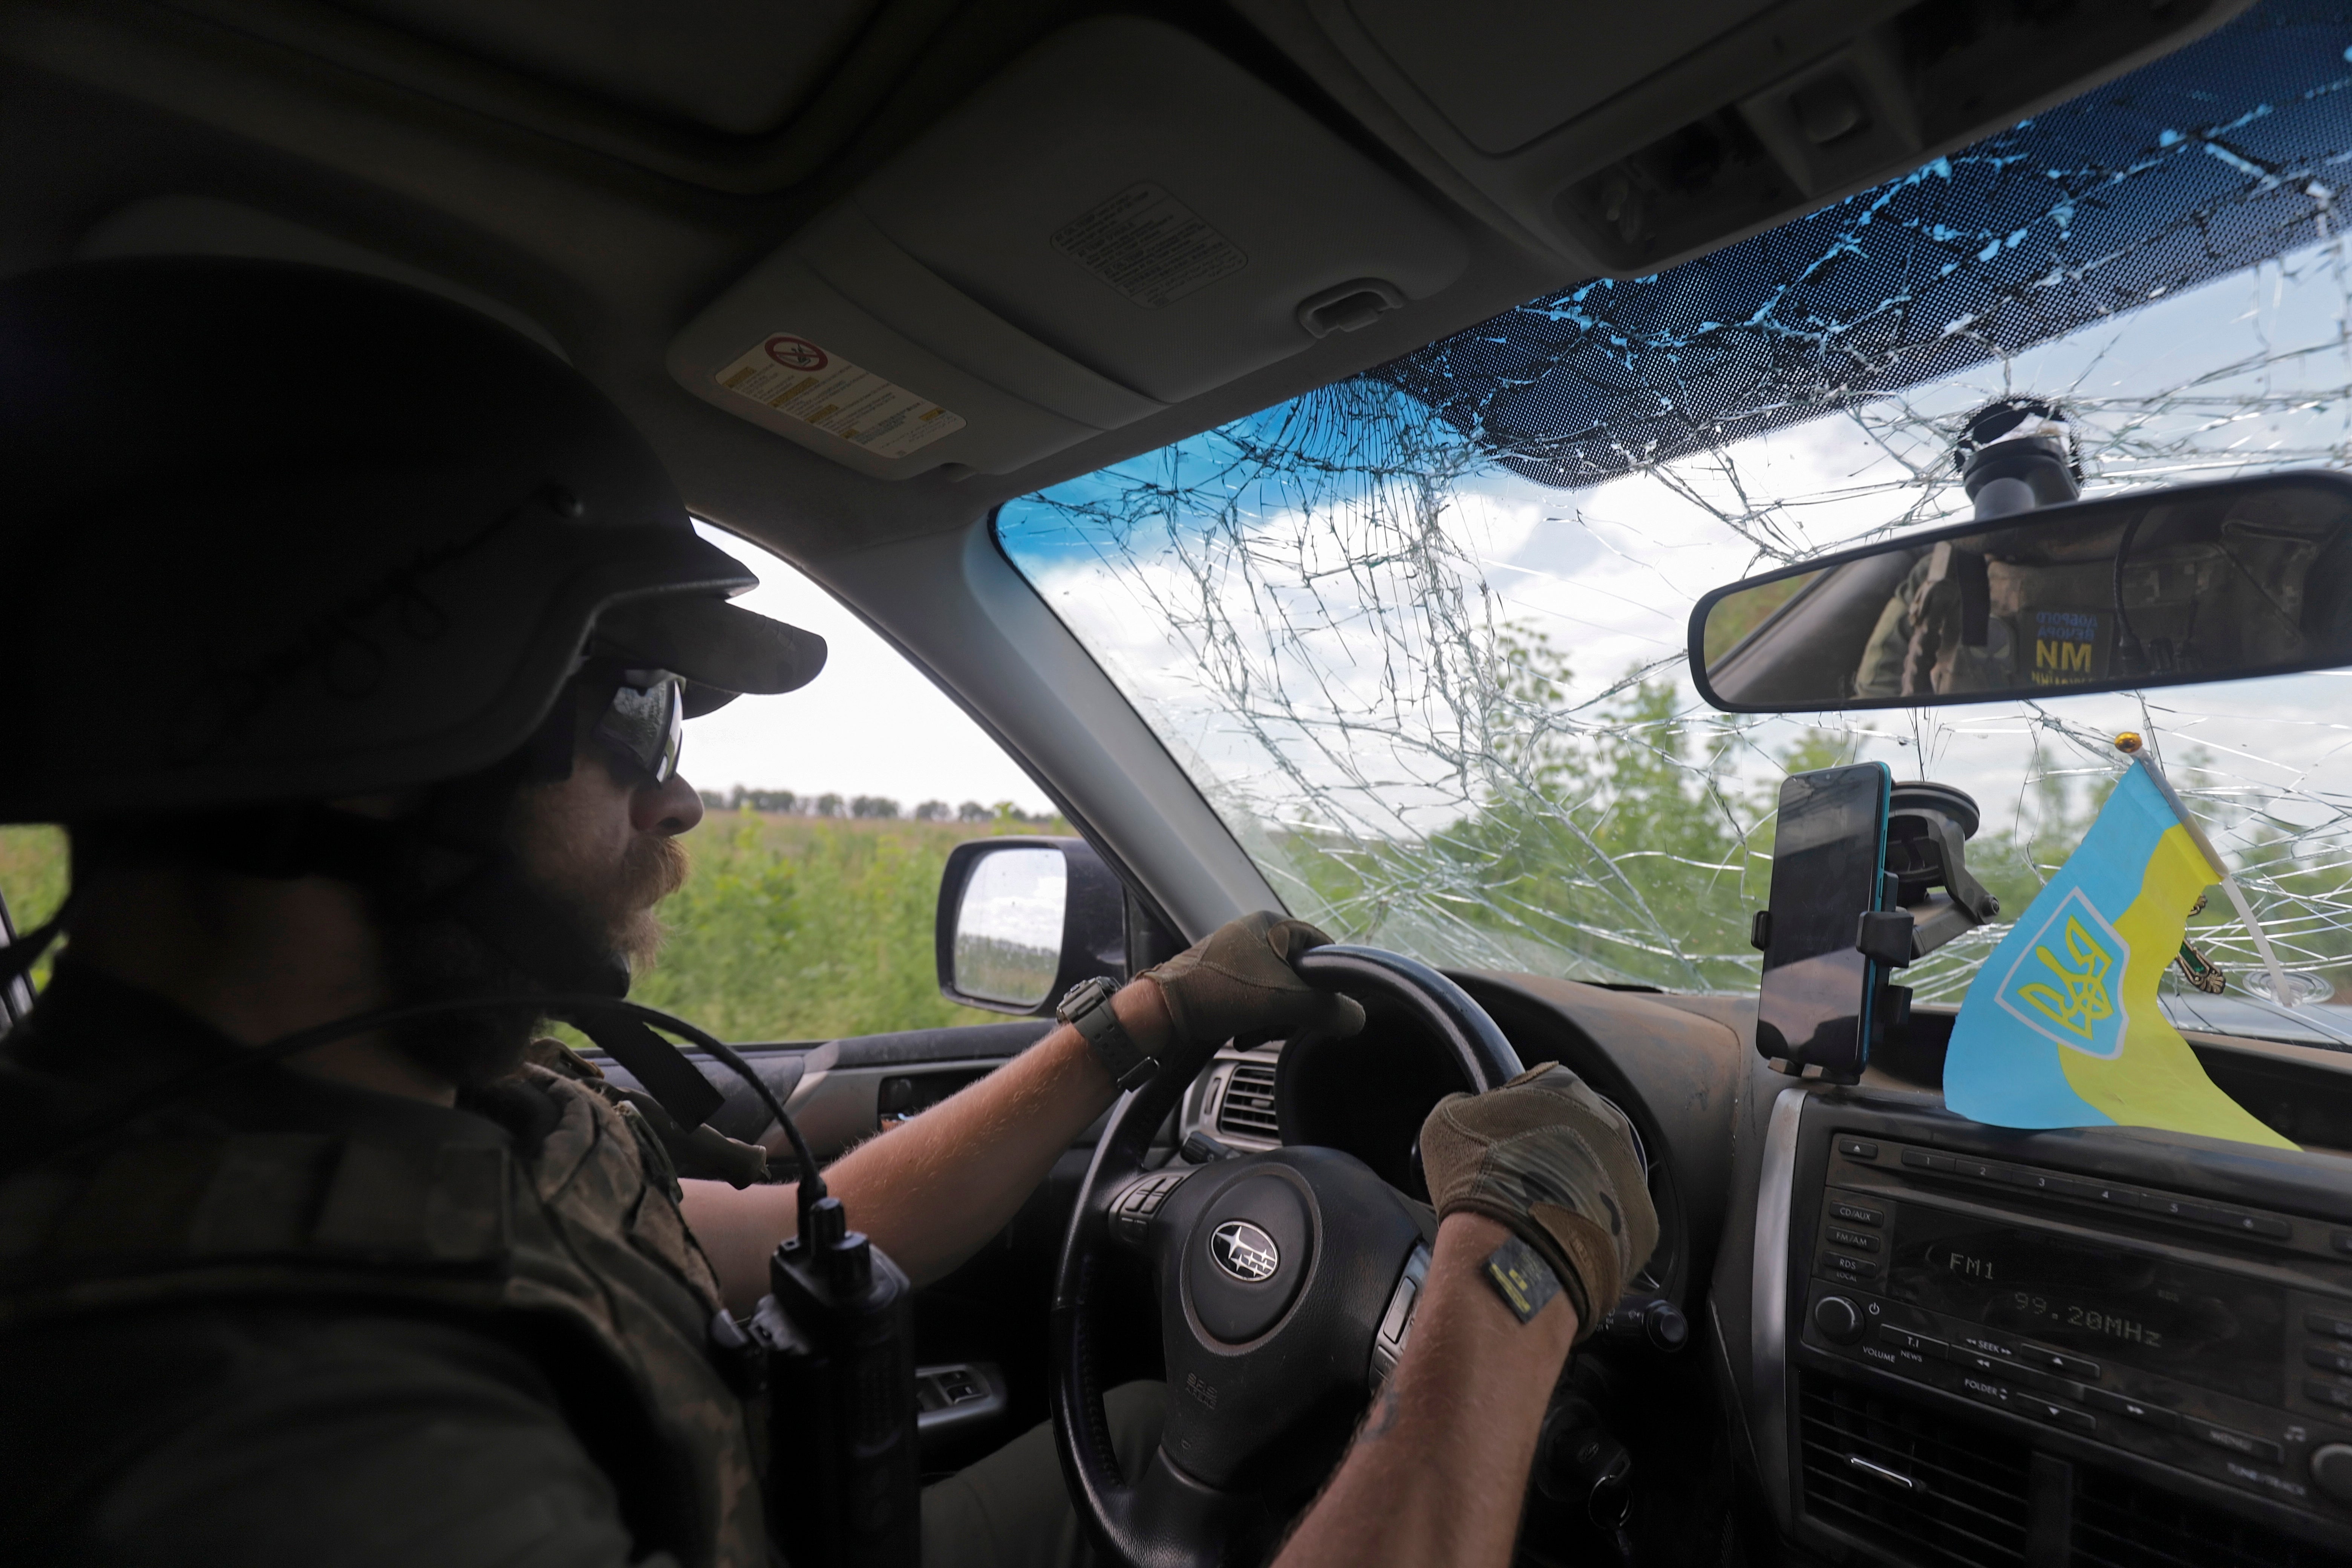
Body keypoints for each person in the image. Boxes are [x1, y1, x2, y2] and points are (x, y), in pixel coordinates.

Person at [0, 258, 1655, 1568]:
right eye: (636, 706)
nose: (680, 796)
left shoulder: (424, 1098)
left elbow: (805, 1234)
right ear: (380, 742)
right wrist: (1508, 1283)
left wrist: (1142, 1022)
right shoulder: (293, 1446)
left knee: (1164, 1421)